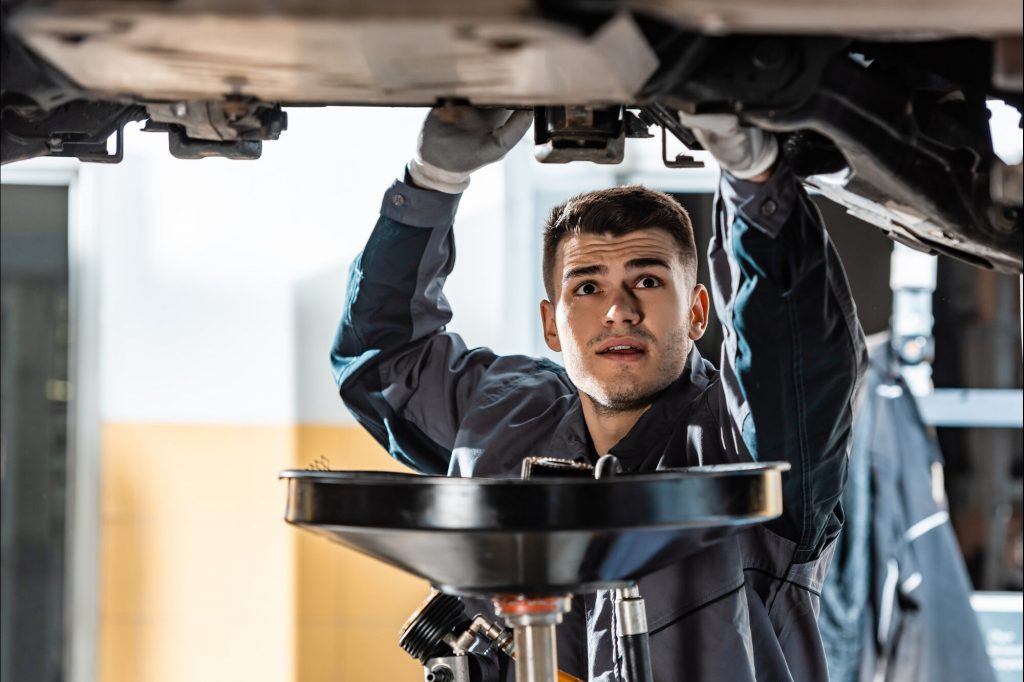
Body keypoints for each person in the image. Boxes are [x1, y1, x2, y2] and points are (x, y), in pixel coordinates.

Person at [331, 106, 867, 681]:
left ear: (696, 312)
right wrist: (432, 181)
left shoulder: (740, 446)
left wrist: (755, 177)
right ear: (552, 324)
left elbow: (796, 359)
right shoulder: (501, 416)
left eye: (648, 280)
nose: (619, 311)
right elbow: (383, 364)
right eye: (587, 286)